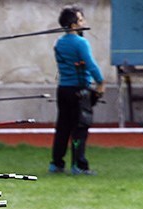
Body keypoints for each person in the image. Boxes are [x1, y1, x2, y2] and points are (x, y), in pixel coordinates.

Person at [49, 5, 104, 175]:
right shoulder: (81, 43)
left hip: (63, 90)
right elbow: (91, 64)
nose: (84, 22)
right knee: (79, 128)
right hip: (79, 90)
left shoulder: (59, 43)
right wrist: (100, 82)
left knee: (63, 127)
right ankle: (78, 165)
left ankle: (57, 164)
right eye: (80, 20)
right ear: (73, 25)